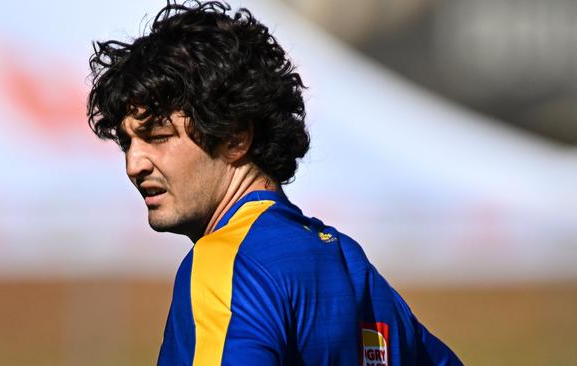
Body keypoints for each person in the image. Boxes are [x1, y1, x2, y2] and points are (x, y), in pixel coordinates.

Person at [87, 1, 462, 365]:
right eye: (127, 142)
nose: (134, 164)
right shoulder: (350, 265)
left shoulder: (226, 263)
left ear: (235, 138)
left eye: (158, 136)